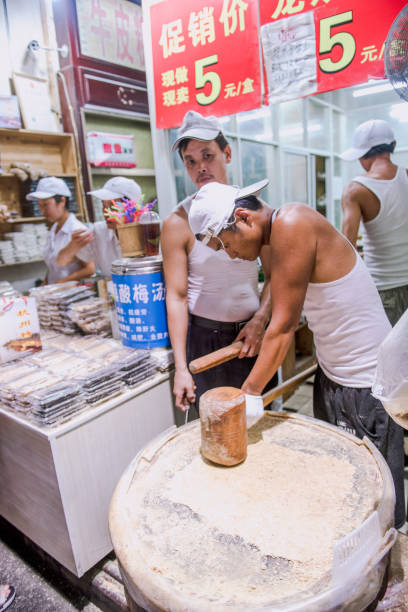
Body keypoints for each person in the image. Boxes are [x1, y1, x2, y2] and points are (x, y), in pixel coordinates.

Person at [188, 179, 405, 529]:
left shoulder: (292, 223)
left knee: (376, 496)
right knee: (340, 482)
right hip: (334, 372)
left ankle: (388, 565)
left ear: (243, 218)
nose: (230, 254)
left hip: (365, 382)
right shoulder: (275, 235)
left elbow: (286, 327)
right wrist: (259, 321)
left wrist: (251, 393)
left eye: (226, 244)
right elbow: (279, 289)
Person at [161, 111, 276, 413]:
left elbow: (276, 274)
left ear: (227, 153)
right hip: (204, 340)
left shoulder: (255, 211)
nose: (201, 167)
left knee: (260, 423)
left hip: (251, 334)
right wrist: (182, 368)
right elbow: (176, 295)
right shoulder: (177, 222)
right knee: (216, 428)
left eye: (208, 155)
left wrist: (260, 321)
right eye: (190, 161)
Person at [341, 119, 408, 326]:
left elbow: (346, 249)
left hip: (383, 290)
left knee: (389, 356)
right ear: (393, 146)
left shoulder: (356, 190)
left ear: (362, 155)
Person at [57, 177, 142, 278]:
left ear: (132, 207)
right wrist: (73, 246)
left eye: (112, 206)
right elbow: (61, 262)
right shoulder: (98, 231)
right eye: (103, 205)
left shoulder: (149, 232)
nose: (106, 212)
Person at [27, 177, 94, 284]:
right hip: (55, 293)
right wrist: (45, 284)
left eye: (45, 205)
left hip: (73, 294)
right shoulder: (54, 229)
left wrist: (61, 282)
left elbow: (90, 269)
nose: (42, 210)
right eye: (39, 205)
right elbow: (53, 266)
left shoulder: (78, 230)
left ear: (62, 201)